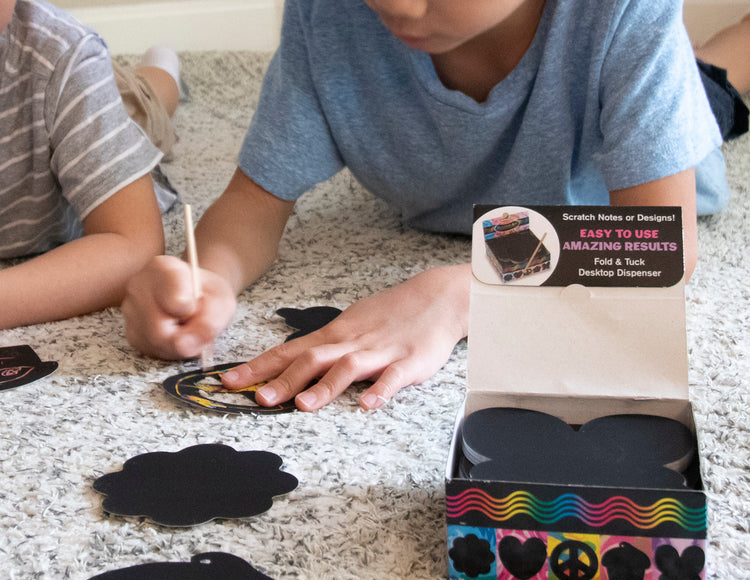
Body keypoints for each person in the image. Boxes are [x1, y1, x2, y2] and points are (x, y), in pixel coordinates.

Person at [122, 0, 750, 412]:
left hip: (605, 174)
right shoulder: (329, 13)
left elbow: (658, 245)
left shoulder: (625, 12)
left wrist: (465, 290)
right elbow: (251, 206)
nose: (395, 5)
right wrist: (207, 278)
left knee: (713, 87)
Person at [0, 0, 181, 329]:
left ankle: (163, 62)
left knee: (147, 102)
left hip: (80, 100)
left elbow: (135, 246)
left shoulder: (61, 55)